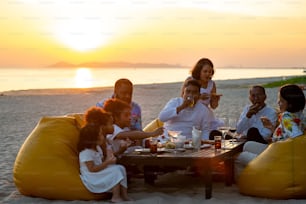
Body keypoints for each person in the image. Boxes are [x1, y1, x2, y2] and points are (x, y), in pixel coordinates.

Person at [235, 84, 305, 179]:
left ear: (290, 104)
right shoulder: (299, 114)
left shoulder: (286, 117)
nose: (278, 103)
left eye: (281, 101)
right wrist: (272, 128)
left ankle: (248, 182)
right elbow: (286, 134)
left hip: (277, 157)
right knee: (248, 145)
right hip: (277, 150)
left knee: (240, 156)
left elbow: (297, 138)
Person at [77, 110, 131, 203]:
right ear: (93, 139)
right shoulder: (86, 153)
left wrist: (110, 157)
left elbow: (102, 161)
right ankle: (116, 196)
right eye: (100, 135)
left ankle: (124, 195)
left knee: (120, 168)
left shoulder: (97, 148)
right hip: (92, 178)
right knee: (116, 171)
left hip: (98, 172)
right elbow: (92, 169)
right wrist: (108, 162)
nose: (103, 137)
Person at [182, 58, 223, 137]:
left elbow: (213, 106)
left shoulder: (212, 84)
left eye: (210, 72)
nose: (208, 74)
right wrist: (199, 97)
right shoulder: (190, 80)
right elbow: (182, 99)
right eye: (205, 71)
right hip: (191, 112)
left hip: (205, 114)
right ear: (199, 71)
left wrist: (215, 100)